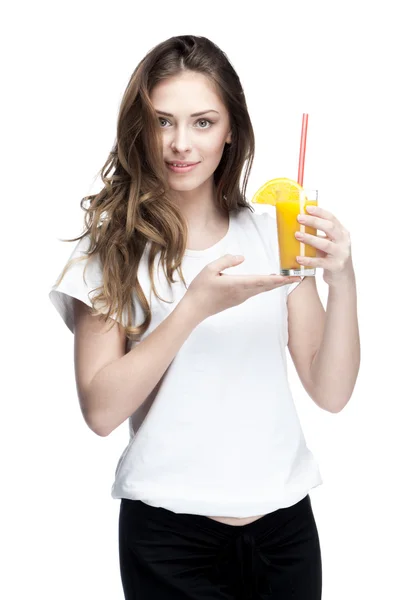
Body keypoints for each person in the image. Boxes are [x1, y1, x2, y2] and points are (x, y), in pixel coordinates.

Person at [49, 35, 360, 600]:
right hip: (168, 540)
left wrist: (343, 278)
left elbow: (330, 390)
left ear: (231, 130)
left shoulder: (273, 233)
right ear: (139, 129)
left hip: (285, 533)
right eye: (162, 121)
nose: (179, 144)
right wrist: (192, 308)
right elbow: (100, 409)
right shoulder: (112, 251)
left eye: (202, 122)